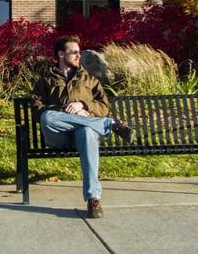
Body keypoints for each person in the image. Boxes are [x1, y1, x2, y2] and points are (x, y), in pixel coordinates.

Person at [31, 36, 134, 219]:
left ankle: (93, 198)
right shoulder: (46, 79)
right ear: (61, 54)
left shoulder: (88, 78)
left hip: (81, 136)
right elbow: (36, 109)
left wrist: (83, 106)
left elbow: (103, 105)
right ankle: (109, 124)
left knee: (86, 131)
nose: (79, 55)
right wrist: (64, 110)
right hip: (59, 135)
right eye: (74, 52)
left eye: (79, 51)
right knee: (48, 117)